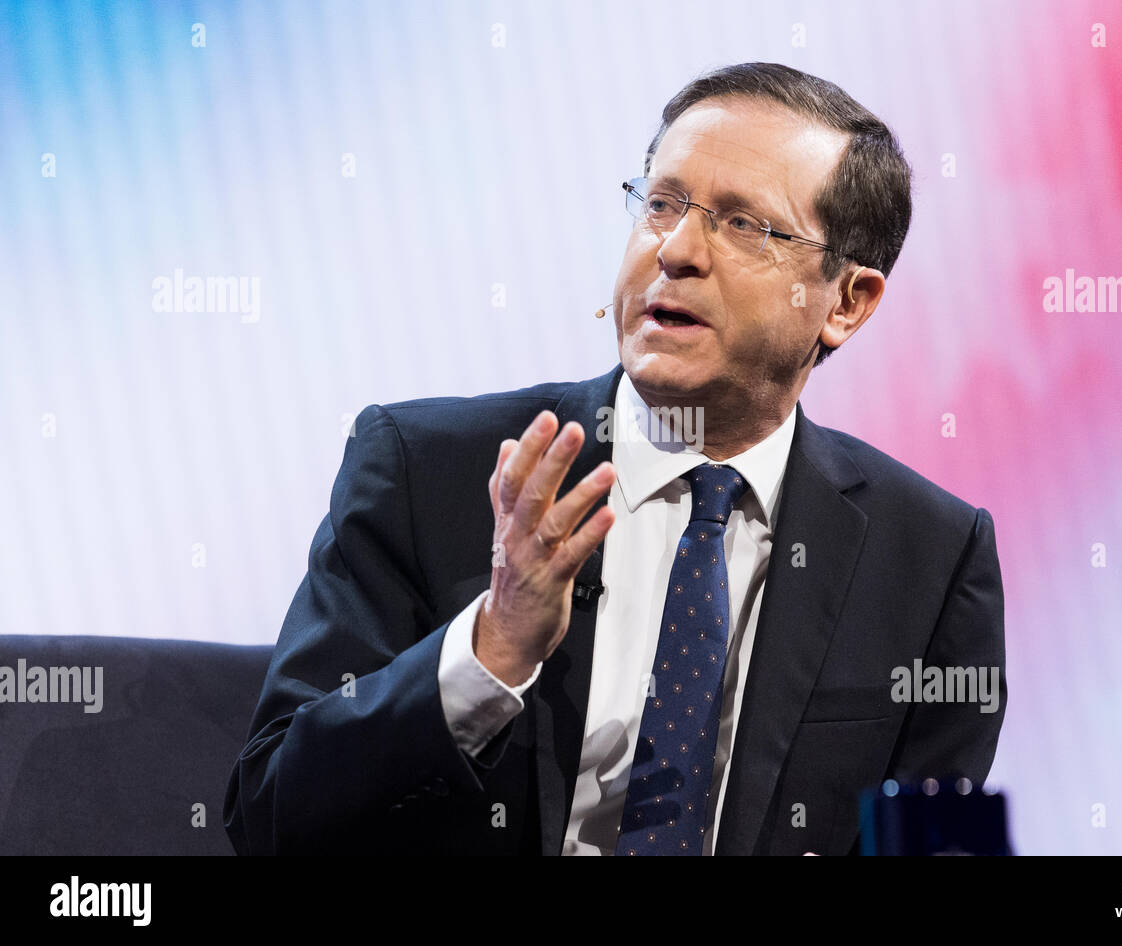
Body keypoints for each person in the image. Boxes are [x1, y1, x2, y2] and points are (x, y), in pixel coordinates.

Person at [224, 62, 1006, 856]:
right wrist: (491, 649)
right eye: (661, 204)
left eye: (744, 225)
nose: (675, 251)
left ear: (846, 302)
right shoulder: (428, 473)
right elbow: (270, 814)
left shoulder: (932, 560)